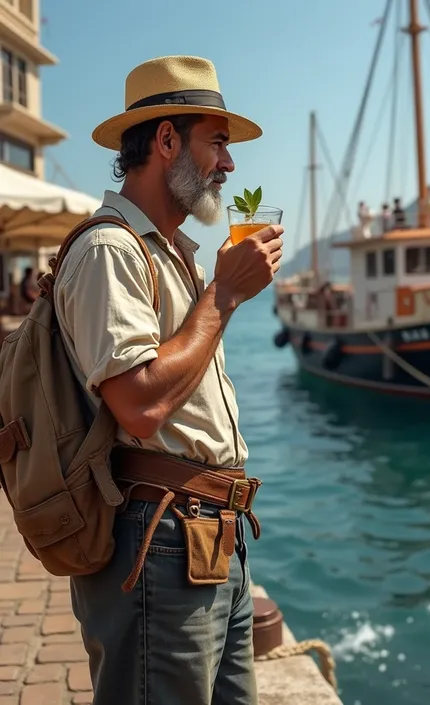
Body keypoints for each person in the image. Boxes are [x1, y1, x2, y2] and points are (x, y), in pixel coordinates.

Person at [53, 55, 283, 705]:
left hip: (211, 542)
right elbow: (141, 406)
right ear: (165, 140)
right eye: (218, 142)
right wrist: (225, 296)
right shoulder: (110, 249)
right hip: (162, 544)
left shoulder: (166, 253)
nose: (229, 165)